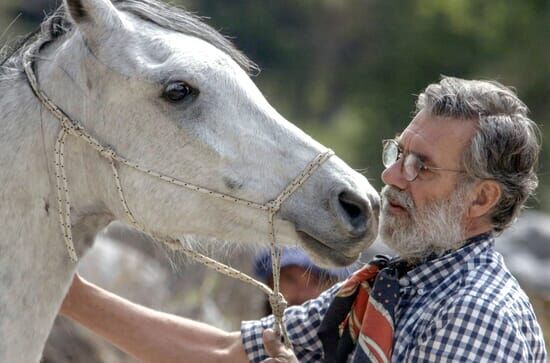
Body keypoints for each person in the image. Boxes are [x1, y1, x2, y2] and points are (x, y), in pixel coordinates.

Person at [60, 77, 547, 362]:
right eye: (399, 153)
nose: (391, 174)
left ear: (481, 198)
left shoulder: (475, 310)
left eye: (421, 165)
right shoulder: (395, 287)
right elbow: (227, 354)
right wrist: (58, 287)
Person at [253, 247, 352, 315]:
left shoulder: (352, 343)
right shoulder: (247, 342)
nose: (302, 294)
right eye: (290, 279)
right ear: (270, 284)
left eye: (315, 281)